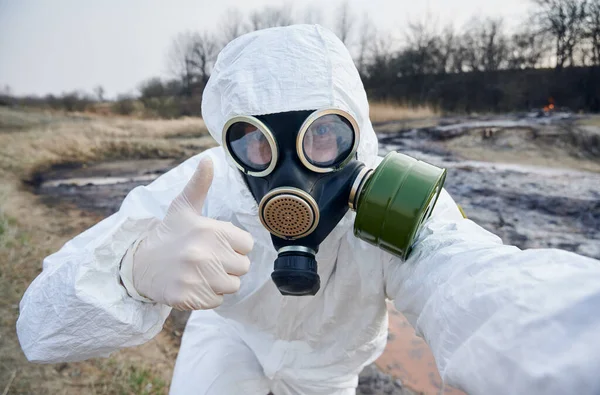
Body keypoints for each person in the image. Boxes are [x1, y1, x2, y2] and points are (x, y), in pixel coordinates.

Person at [16, 24, 600, 395]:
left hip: (329, 370)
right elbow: (39, 332)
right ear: (229, 141)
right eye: (257, 144)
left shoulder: (391, 199)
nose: (292, 170)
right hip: (229, 340)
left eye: (323, 136)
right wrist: (131, 271)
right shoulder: (207, 187)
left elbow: (479, 288)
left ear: (357, 134)